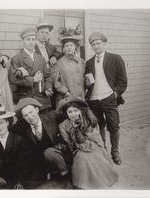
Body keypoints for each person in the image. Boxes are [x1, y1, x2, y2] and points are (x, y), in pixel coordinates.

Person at [57, 95, 118, 189]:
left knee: (94, 154)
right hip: (77, 149)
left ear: (80, 111)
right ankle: (84, 183)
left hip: (92, 145)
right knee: (82, 157)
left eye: (75, 111)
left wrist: (79, 131)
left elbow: (93, 139)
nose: (73, 114)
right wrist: (75, 131)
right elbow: (70, 143)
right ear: (66, 113)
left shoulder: (88, 119)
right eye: (70, 112)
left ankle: (99, 181)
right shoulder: (63, 125)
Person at [85, 32, 128, 165]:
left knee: (113, 126)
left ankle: (115, 152)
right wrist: (87, 83)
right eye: (93, 44)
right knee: (98, 125)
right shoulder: (89, 62)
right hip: (94, 99)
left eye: (98, 43)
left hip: (109, 98)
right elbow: (88, 80)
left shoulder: (115, 58)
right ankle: (102, 149)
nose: (96, 46)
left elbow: (123, 81)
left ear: (104, 43)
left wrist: (114, 94)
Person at [12, 97, 72, 188]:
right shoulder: (21, 125)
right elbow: (6, 129)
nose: (30, 117)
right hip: (40, 162)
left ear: (37, 110)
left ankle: (67, 175)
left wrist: (87, 111)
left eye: (31, 112)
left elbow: (71, 111)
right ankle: (50, 173)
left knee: (49, 153)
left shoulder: (52, 117)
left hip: (58, 155)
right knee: (30, 184)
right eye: (25, 115)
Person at [9, 27, 53, 111]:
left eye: (33, 39)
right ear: (23, 41)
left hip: (42, 98)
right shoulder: (16, 59)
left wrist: (48, 88)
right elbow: (13, 79)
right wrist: (33, 79)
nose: (31, 42)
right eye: (28, 39)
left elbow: (48, 76)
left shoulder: (41, 58)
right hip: (26, 98)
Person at [35, 19, 62, 109]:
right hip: (39, 82)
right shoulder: (32, 47)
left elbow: (59, 53)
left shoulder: (49, 46)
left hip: (52, 80)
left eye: (47, 33)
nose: (44, 35)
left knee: (53, 107)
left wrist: (53, 56)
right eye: (42, 32)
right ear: (37, 33)